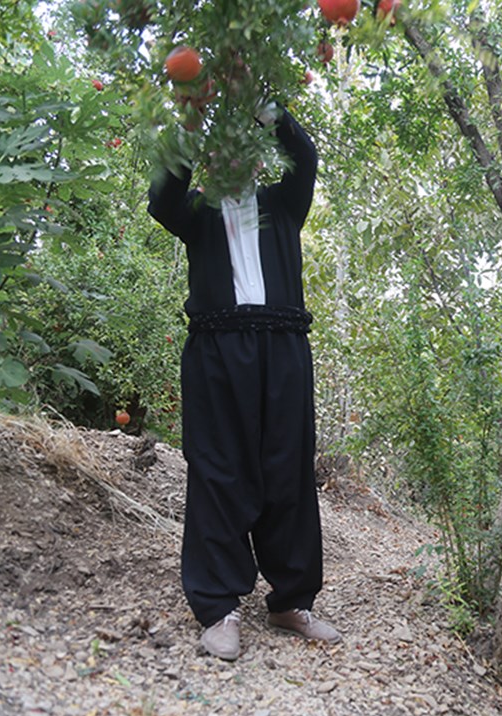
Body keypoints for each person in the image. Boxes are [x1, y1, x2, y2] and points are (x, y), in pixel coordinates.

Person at [147, 101, 340, 661]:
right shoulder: (197, 213)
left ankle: (290, 602)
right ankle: (218, 608)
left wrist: (268, 113)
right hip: (216, 350)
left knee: (287, 469)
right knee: (218, 470)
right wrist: (187, 128)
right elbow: (161, 197)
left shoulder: (284, 205)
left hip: (282, 350)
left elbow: (305, 158)